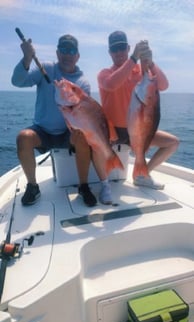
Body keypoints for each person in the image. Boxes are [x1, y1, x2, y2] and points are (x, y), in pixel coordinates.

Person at [11, 34, 111, 206]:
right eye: (63, 50)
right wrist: (27, 59)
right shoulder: (46, 69)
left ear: (77, 56)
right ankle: (33, 187)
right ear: (57, 53)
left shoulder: (82, 82)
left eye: (72, 51)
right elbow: (17, 81)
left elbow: (84, 114)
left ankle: (83, 186)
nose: (67, 54)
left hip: (67, 132)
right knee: (23, 137)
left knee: (82, 137)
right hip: (42, 130)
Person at [98, 31, 179, 189]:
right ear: (109, 53)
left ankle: (142, 174)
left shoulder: (141, 72)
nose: (119, 52)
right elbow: (112, 84)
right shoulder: (104, 74)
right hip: (111, 132)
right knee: (90, 142)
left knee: (172, 143)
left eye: (122, 47)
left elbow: (163, 85)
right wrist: (133, 58)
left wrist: (150, 62)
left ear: (128, 48)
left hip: (137, 131)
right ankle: (100, 182)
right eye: (115, 49)